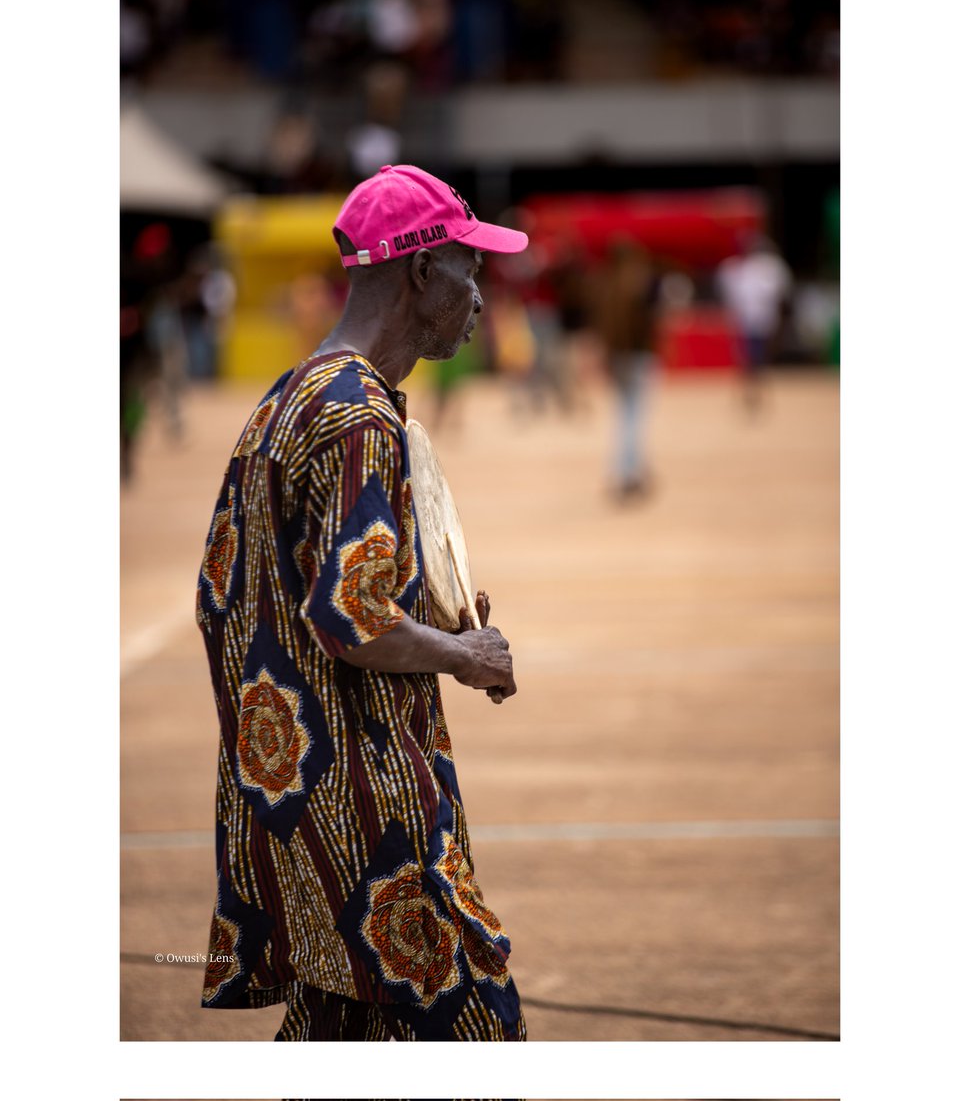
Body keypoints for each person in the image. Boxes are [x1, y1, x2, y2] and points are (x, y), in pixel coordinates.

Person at [196, 164, 528, 1041]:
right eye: (471, 271)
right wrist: (468, 655)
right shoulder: (360, 421)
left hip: (291, 804)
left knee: (341, 1036)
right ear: (422, 273)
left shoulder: (289, 401)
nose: (480, 299)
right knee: (476, 1031)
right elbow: (355, 618)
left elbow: (242, 597)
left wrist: (426, 605)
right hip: (371, 809)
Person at [591, 237, 664, 499]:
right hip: (638, 357)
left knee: (623, 417)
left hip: (618, 358)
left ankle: (624, 471)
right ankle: (629, 474)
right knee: (634, 418)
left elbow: (604, 328)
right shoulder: (637, 286)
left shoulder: (607, 286)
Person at [715, 232, 792, 413]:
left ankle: (756, 389)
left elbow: (778, 295)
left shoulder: (768, 268)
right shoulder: (736, 269)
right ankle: (753, 390)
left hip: (763, 319)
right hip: (747, 319)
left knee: (757, 356)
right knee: (750, 356)